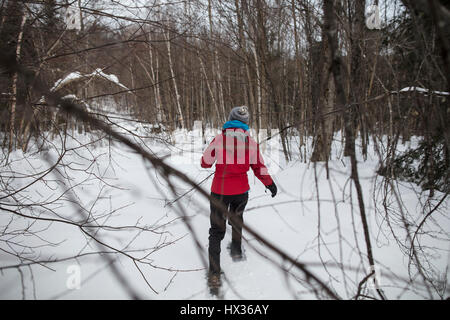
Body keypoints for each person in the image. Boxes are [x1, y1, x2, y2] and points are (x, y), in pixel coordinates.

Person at [200, 106, 277, 292]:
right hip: (241, 191)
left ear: (229, 119)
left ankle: (214, 274)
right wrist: (270, 184)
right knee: (236, 220)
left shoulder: (219, 139)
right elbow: (260, 167)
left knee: (216, 231)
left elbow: (205, 163)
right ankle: (236, 250)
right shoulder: (250, 143)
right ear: (245, 123)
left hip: (220, 191)